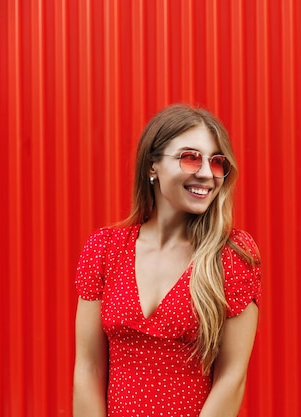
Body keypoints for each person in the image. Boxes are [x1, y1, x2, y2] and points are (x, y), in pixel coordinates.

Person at [72, 104, 262, 416]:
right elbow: (88, 369)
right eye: (190, 157)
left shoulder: (233, 255)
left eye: (217, 162)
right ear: (152, 166)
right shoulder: (105, 248)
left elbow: (231, 378)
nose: (206, 173)